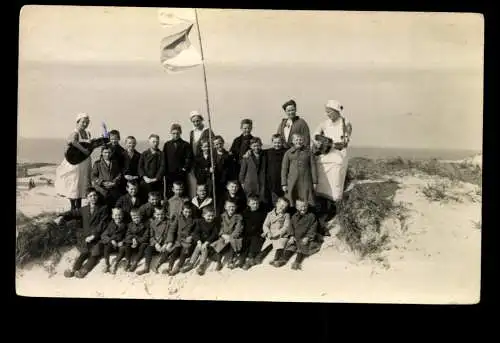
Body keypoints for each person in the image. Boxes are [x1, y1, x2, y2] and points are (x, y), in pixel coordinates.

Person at [54, 188, 110, 278]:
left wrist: (94, 235)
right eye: (90, 196)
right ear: (87, 198)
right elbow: (73, 213)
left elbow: (102, 224)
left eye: (94, 195)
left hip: (98, 237)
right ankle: (73, 270)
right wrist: (61, 214)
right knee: (83, 254)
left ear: (98, 196)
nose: (93, 197)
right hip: (87, 237)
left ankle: (83, 271)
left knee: (94, 255)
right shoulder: (84, 209)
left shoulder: (103, 208)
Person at [313, 99, 353, 217]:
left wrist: (329, 144)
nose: (327, 114)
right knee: (322, 184)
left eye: (329, 112)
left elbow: (344, 143)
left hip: (337, 157)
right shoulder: (325, 123)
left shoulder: (345, 123)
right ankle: (323, 209)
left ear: (336, 111)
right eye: (327, 112)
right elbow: (315, 135)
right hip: (325, 156)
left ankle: (335, 211)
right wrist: (319, 142)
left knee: (335, 185)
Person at [55, 113, 93, 210]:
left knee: (81, 183)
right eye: (83, 122)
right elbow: (73, 142)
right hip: (75, 162)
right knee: (74, 183)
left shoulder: (88, 133)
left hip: (84, 162)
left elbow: (89, 144)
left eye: (87, 122)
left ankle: (78, 207)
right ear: (77, 122)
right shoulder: (75, 133)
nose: (85, 124)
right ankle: (73, 207)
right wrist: (84, 150)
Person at [276, 199, 319, 270]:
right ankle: (283, 260)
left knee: (302, 248)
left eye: (305, 206)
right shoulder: (294, 216)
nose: (303, 208)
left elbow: (313, 228)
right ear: (297, 207)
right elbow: (290, 227)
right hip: (295, 237)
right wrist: (291, 236)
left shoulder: (311, 216)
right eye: (301, 206)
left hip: (305, 238)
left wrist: (308, 237)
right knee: (290, 247)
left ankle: (297, 262)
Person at [281, 133, 317, 209]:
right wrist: (284, 183)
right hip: (293, 181)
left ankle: (308, 216)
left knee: (307, 199)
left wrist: (315, 182)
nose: (298, 141)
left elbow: (313, 167)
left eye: (300, 140)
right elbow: (284, 169)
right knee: (292, 200)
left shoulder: (309, 152)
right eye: (296, 140)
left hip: (306, 181)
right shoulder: (288, 153)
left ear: (303, 141)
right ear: (293, 141)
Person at [181, 206, 219, 275]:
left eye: (212, 216)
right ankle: (191, 263)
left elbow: (214, 235)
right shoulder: (200, 222)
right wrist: (198, 241)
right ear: (203, 215)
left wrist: (206, 243)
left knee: (204, 248)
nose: (211, 218)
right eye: (209, 216)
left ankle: (202, 265)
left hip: (210, 242)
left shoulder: (214, 223)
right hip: (201, 241)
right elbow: (196, 232)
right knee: (198, 247)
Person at [163, 202, 196, 275]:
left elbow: (195, 231)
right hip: (179, 240)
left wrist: (191, 236)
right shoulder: (178, 218)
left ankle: (177, 268)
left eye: (189, 212)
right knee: (175, 251)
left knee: (183, 253)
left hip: (188, 242)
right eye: (186, 212)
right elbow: (172, 230)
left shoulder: (194, 220)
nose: (188, 214)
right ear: (182, 211)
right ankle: (169, 267)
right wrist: (170, 241)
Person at [136, 207, 172, 275]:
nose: (160, 216)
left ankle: (157, 265)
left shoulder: (168, 222)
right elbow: (151, 236)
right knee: (148, 249)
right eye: (158, 214)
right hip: (156, 244)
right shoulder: (152, 223)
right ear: (154, 214)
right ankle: (146, 267)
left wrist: (166, 244)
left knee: (168, 250)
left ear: (165, 214)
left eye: (162, 214)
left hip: (164, 244)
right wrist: (155, 244)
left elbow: (170, 234)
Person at [188, 110, 215, 198]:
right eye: (194, 121)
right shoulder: (192, 132)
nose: (196, 123)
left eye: (197, 121)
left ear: (201, 120)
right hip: (195, 162)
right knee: (196, 183)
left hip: (205, 161)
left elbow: (213, 145)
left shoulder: (207, 131)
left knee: (206, 184)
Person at [210, 199, 244, 271]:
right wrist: (222, 235)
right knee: (219, 243)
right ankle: (219, 262)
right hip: (224, 236)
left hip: (234, 237)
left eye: (233, 207)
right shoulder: (222, 217)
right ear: (225, 207)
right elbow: (220, 228)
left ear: (236, 207)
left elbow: (238, 229)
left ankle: (230, 261)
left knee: (233, 242)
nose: (231, 208)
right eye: (229, 207)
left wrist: (231, 237)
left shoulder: (238, 217)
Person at [113, 208, 149, 274]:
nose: (135, 219)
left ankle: (135, 262)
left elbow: (145, 237)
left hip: (141, 243)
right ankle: (128, 261)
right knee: (127, 244)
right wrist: (133, 239)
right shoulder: (130, 225)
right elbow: (127, 235)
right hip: (133, 243)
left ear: (141, 216)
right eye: (133, 217)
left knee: (143, 246)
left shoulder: (146, 225)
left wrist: (136, 240)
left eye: (137, 217)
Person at [163, 124, 193, 199]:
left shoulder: (186, 145)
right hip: (170, 174)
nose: (175, 135)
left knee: (182, 192)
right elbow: (164, 159)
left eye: (177, 133)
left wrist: (184, 168)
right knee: (170, 193)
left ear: (180, 133)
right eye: (174, 133)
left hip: (181, 174)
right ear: (171, 133)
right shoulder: (167, 145)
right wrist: (165, 172)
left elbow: (189, 158)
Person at [239, 137, 268, 209]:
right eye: (254, 146)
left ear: (261, 145)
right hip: (250, 185)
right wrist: (243, 183)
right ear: (250, 146)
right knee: (249, 203)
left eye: (258, 145)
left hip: (261, 184)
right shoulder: (247, 157)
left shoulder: (265, 155)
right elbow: (242, 172)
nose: (256, 147)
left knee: (260, 203)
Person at [261, 197, 291, 266]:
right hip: (271, 234)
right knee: (267, 245)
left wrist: (278, 234)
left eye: (285, 207)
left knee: (280, 244)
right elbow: (265, 225)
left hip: (280, 235)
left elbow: (286, 227)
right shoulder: (270, 214)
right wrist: (268, 233)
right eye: (281, 205)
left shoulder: (286, 215)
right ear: (277, 204)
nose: (282, 207)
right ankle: (259, 257)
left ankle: (276, 259)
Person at [239, 196, 267, 270]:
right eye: (253, 203)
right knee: (245, 243)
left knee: (254, 242)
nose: (255, 205)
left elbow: (265, 224)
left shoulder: (262, 213)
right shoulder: (245, 213)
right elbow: (242, 225)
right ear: (249, 204)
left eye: (257, 203)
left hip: (258, 234)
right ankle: (242, 259)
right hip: (247, 234)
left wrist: (264, 232)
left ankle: (249, 260)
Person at [98, 208, 128, 273]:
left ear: (122, 215)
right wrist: (111, 240)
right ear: (112, 216)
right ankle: (107, 264)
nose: (118, 217)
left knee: (123, 249)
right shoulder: (110, 225)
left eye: (120, 215)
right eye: (116, 215)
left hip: (120, 244)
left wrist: (123, 241)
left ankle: (115, 263)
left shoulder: (125, 225)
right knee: (106, 246)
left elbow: (128, 235)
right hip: (112, 244)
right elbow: (103, 235)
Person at [138, 134, 165, 202]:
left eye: (157, 142)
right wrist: (145, 178)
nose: (155, 144)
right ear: (149, 142)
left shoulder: (162, 154)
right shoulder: (144, 154)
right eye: (153, 142)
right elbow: (140, 167)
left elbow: (162, 167)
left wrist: (156, 179)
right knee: (145, 200)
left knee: (157, 201)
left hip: (157, 183)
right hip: (145, 182)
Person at [265, 134, 288, 206]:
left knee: (284, 202)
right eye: (275, 142)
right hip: (272, 182)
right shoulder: (268, 152)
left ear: (282, 142)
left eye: (279, 142)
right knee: (274, 202)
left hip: (283, 181)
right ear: (272, 142)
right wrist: (249, 152)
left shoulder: (286, 152)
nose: (277, 144)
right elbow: (256, 150)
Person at [213, 135, 233, 202]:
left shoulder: (228, 155)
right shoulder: (211, 155)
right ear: (214, 145)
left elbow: (231, 169)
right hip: (214, 181)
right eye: (216, 144)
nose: (219, 145)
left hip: (224, 181)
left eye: (220, 143)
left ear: (223, 143)